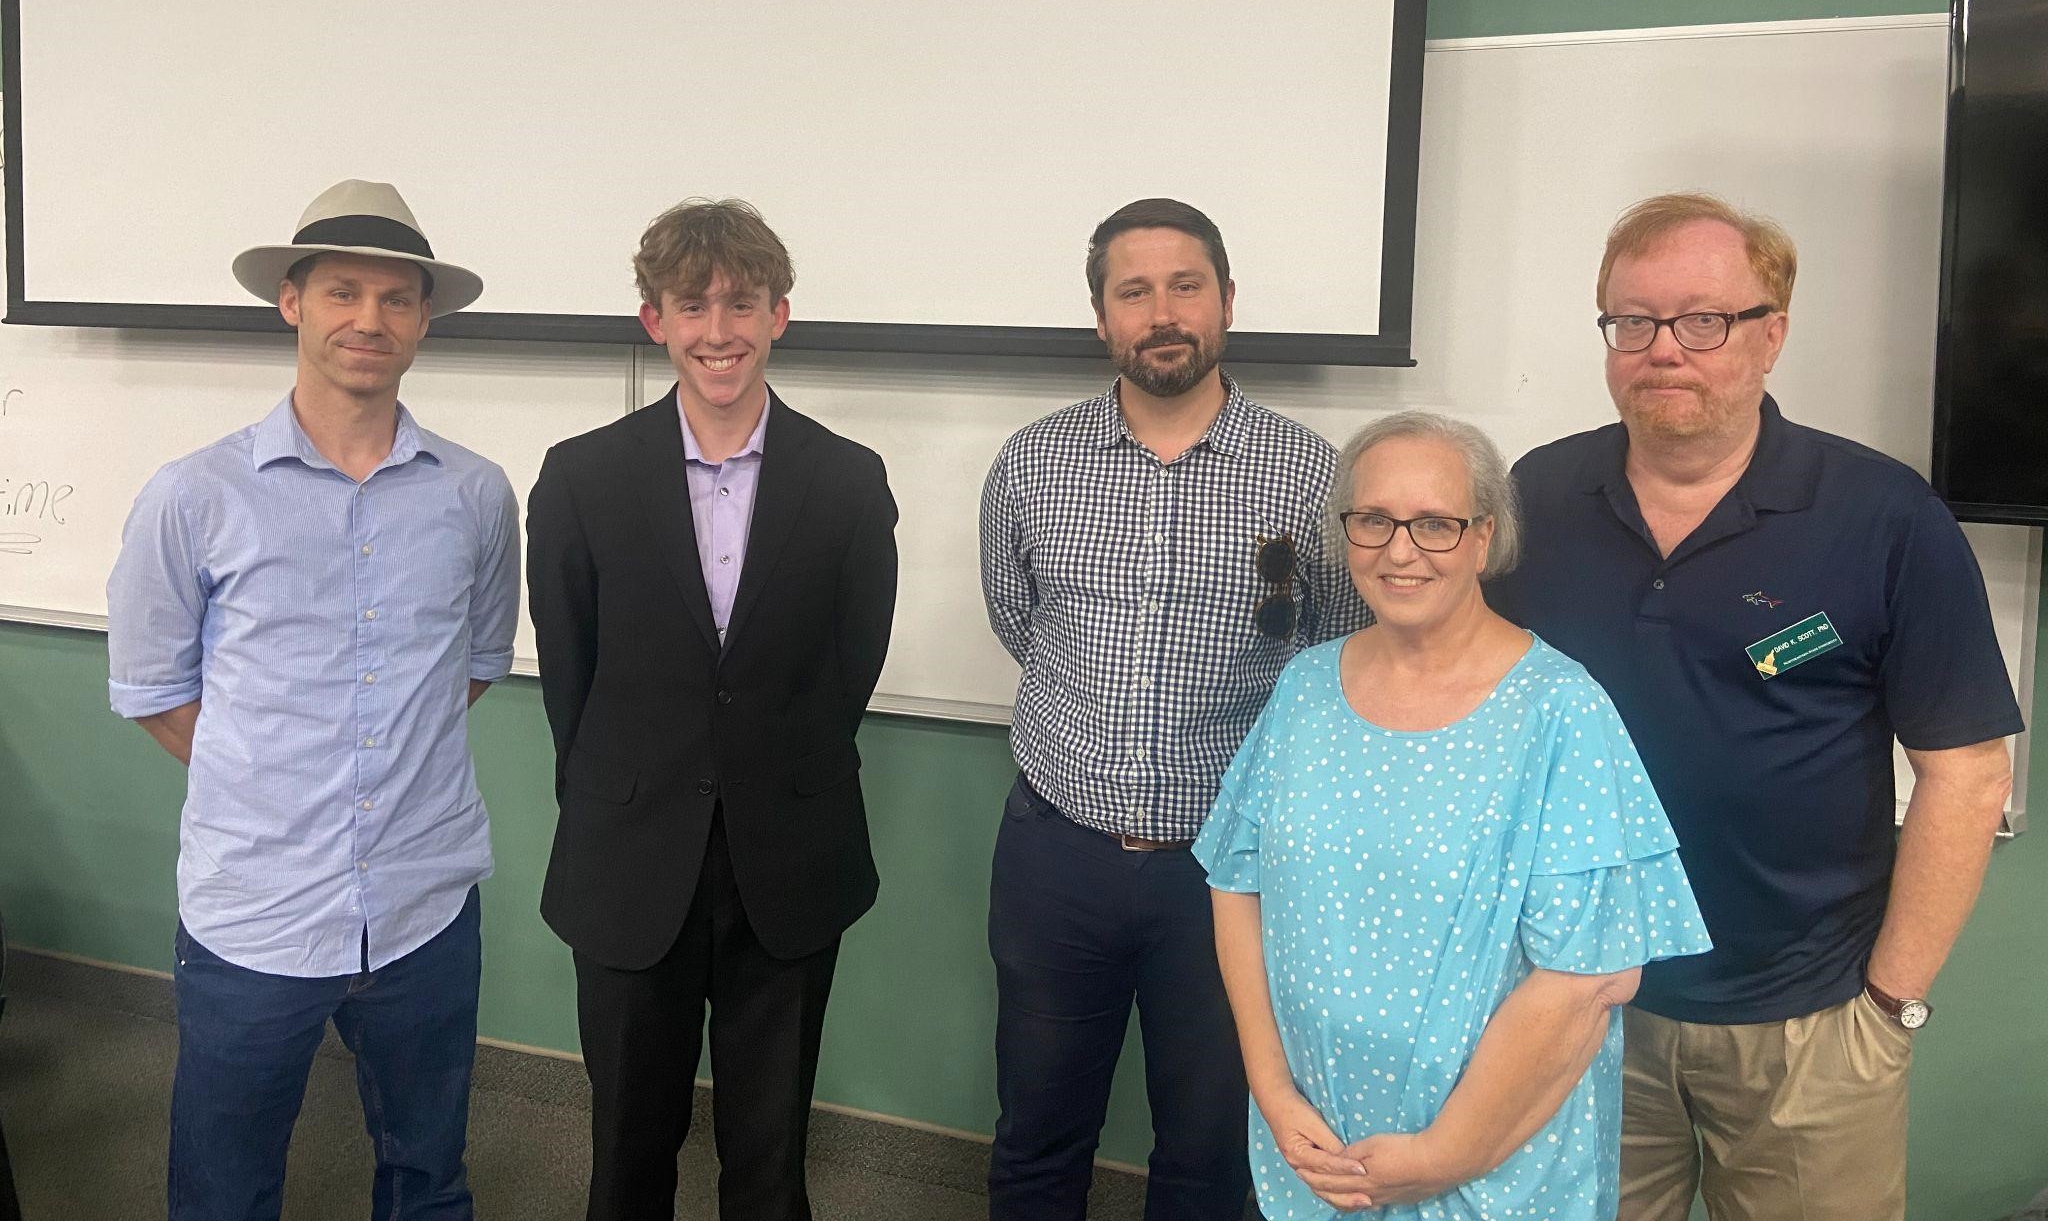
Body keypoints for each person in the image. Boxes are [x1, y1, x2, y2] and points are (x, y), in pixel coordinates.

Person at [1488, 193, 2021, 1221]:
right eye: (1630, 321)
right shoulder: (1537, 498)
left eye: (1701, 320)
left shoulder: (1881, 516)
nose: (1662, 350)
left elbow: (1965, 770)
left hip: (1809, 1025)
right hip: (1579, 1002)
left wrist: (1885, 1005)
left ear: (1768, 333)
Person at [107, 180, 518, 1221]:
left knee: (427, 1179)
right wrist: (275, 774)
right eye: (342, 292)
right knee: (224, 1190)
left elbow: (467, 668)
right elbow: (156, 690)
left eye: (395, 299)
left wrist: (374, 771)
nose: (367, 321)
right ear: (291, 303)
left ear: (424, 320)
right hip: (256, 912)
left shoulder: (475, 495)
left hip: (425, 908)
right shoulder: (194, 496)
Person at [1197, 411, 1710, 1220]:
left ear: (1483, 538)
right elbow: (1237, 883)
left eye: (1435, 524)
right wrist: (1271, 1091)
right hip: (1316, 1145)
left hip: (1489, 1168)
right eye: (1373, 521)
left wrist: (1445, 1156)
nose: (1400, 551)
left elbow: (1593, 978)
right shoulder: (1303, 689)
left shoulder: (1560, 712)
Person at [977, 197, 1369, 1220]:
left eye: (1185, 285)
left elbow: (1329, 659)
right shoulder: (1029, 465)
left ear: (1227, 302)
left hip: (1229, 873)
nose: (1161, 312)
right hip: (1055, 853)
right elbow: (1021, 621)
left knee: (1207, 1154)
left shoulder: (1310, 476)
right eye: (1133, 290)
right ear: (1101, 317)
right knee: (1034, 1135)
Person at [526, 198, 898, 1221]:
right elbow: (574, 673)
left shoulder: (848, 483)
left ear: (781, 313)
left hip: (787, 854)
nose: (718, 331)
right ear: (654, 320)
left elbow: (844, 673)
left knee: (769, 1155)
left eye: (742, 303)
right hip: (629, 852)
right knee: (626, 1145)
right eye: (692, 306)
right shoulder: (581, 477)